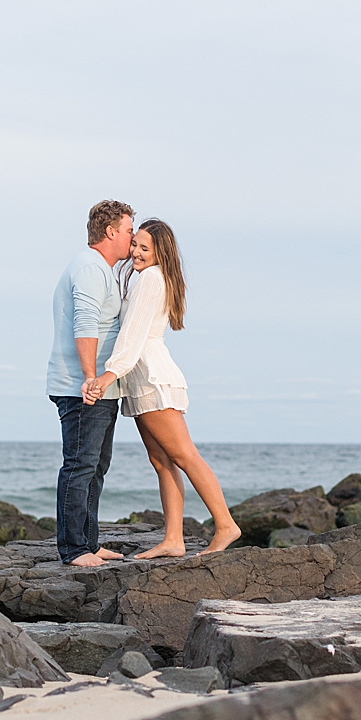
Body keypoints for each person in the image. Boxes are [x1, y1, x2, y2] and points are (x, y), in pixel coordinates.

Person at [81, 218, 241, 555]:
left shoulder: (151, 280)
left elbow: (134, 334)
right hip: (141, 379)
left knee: (184, 455)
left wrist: (108, 375)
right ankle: (173, 540)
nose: (136, 252)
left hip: (152, 378)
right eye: (135, 244)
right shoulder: (146, 278)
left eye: (145, 248)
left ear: (160, 253)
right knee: (161, 461)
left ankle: (225, 525)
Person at [47, 199, 135, 568]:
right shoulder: (89, 268)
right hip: (82, 386)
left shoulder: (103, 269)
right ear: (111, 231)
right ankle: (73, 549)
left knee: (96, 465)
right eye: (130, 231)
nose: (133, 238)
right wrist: (89, 378)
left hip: (98, 386)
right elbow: (84, 324)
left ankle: (89, 541)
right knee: (80, 465)